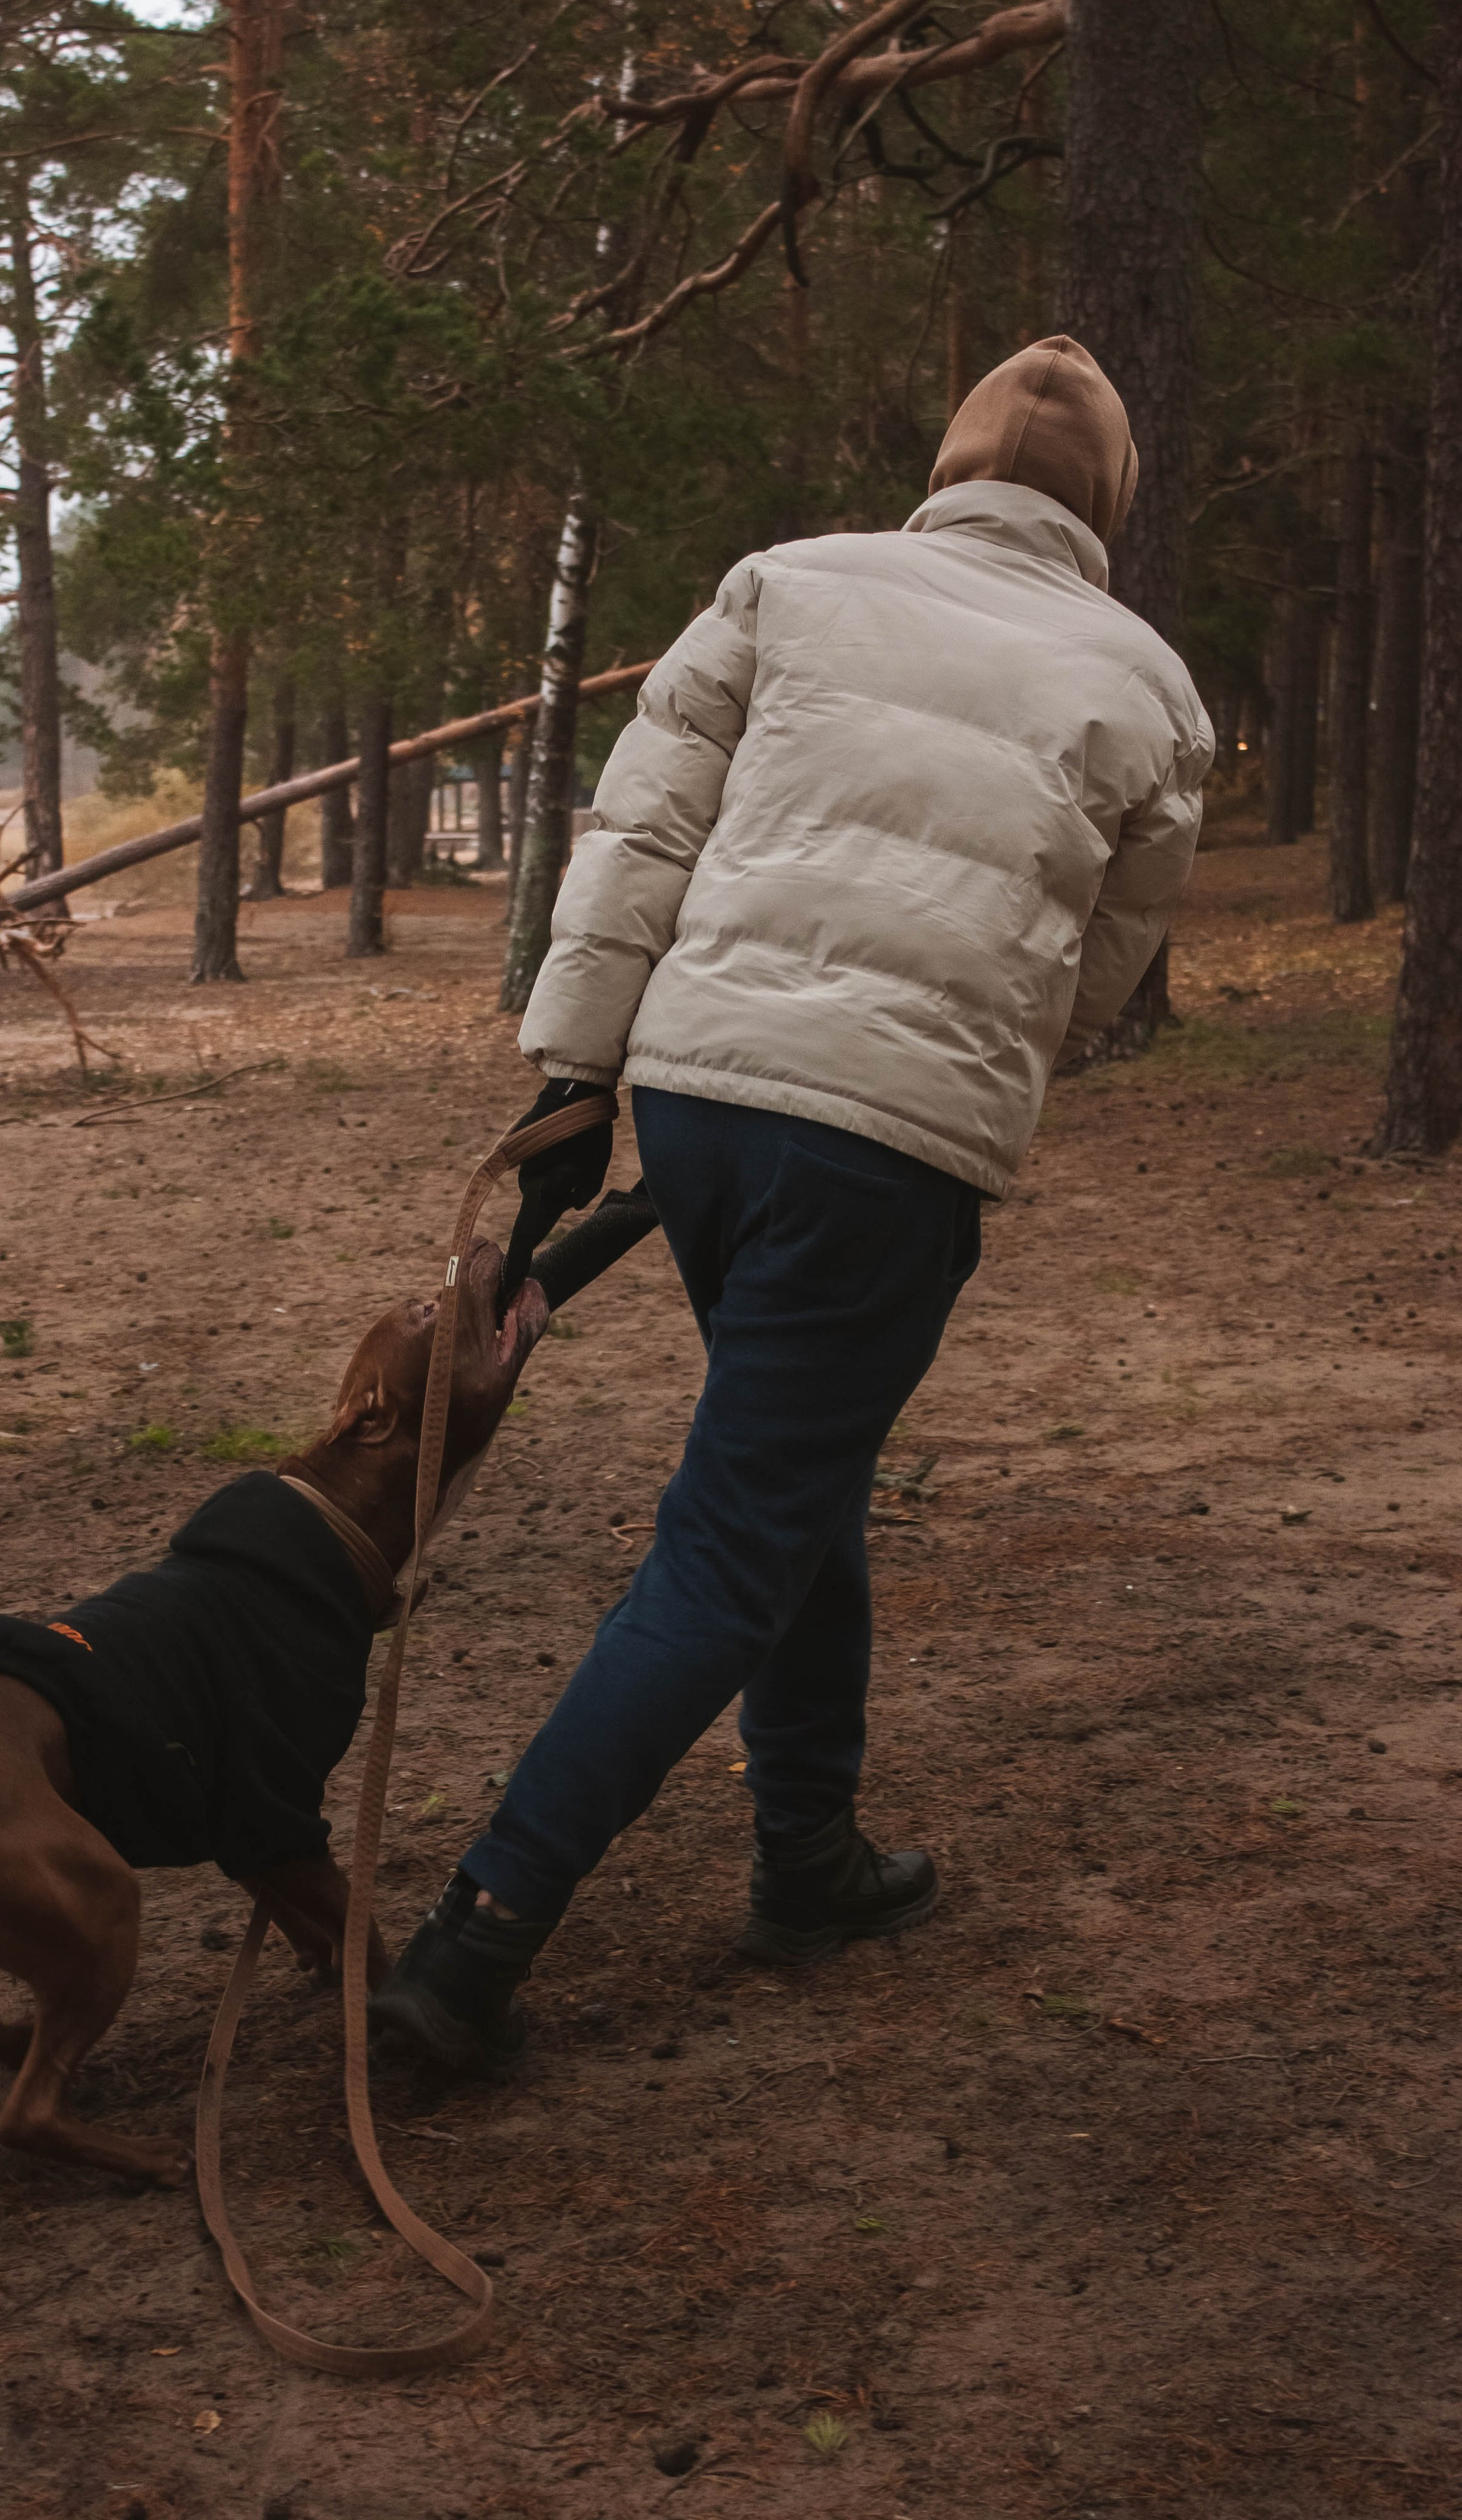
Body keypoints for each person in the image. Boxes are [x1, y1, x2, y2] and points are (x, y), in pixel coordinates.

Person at [369, 337, 1213, 2075]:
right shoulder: (1149, 685)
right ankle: (472, 1947)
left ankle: (806, 1858)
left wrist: (568, 1087)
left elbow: (640, 835)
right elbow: (1107, 964)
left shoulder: (790, 584)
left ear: (950, 458)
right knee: (736, 1535)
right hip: (885, 1147)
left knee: (792, 1475)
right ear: (1106, 504)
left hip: (697, 1106)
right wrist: (978, 1060)